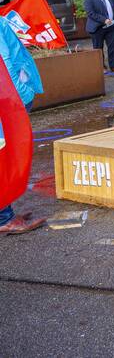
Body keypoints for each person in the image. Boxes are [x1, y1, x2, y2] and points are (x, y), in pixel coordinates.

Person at [0, 17, 43, 233]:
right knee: (5, 154)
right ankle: (4, 218)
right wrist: (20, 96)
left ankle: (5, 213)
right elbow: (4, 61)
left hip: (8, 98)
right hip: (9, 100)